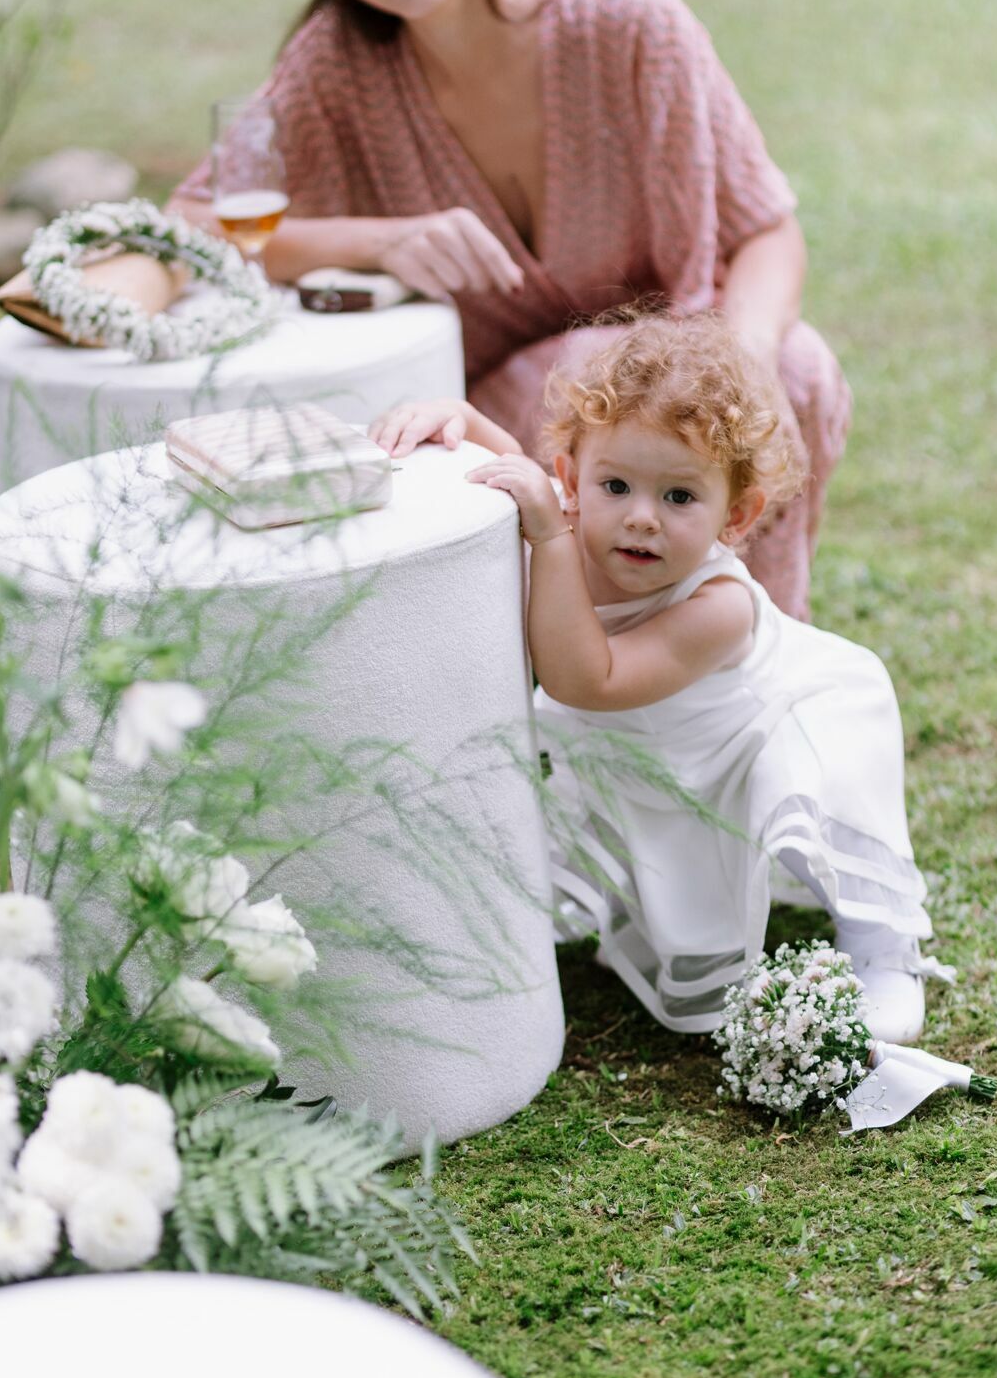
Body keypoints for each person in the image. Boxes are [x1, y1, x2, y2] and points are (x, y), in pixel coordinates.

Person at [170, 0, 851, 619]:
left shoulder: (618, 17)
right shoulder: (336, 68)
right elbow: (189, 223)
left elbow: (765, 228)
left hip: (667, 367)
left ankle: (758, 646)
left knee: (793, 370)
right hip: (486, 407)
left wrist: (743, 363)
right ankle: (582, 669)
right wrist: (383, 241)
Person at [369, 313, 953, 1044]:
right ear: (570, 479)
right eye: (614, 485)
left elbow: (590, 681)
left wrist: (549, 537)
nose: (641, 519)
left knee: (803, 786)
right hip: (654, 749)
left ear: (733, 515)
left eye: (679, 498)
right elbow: (503, 464)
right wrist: (453, 418)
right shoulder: (578, 524)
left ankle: (882, 948)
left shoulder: (719, 606)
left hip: (762, 725)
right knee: (655, 847)